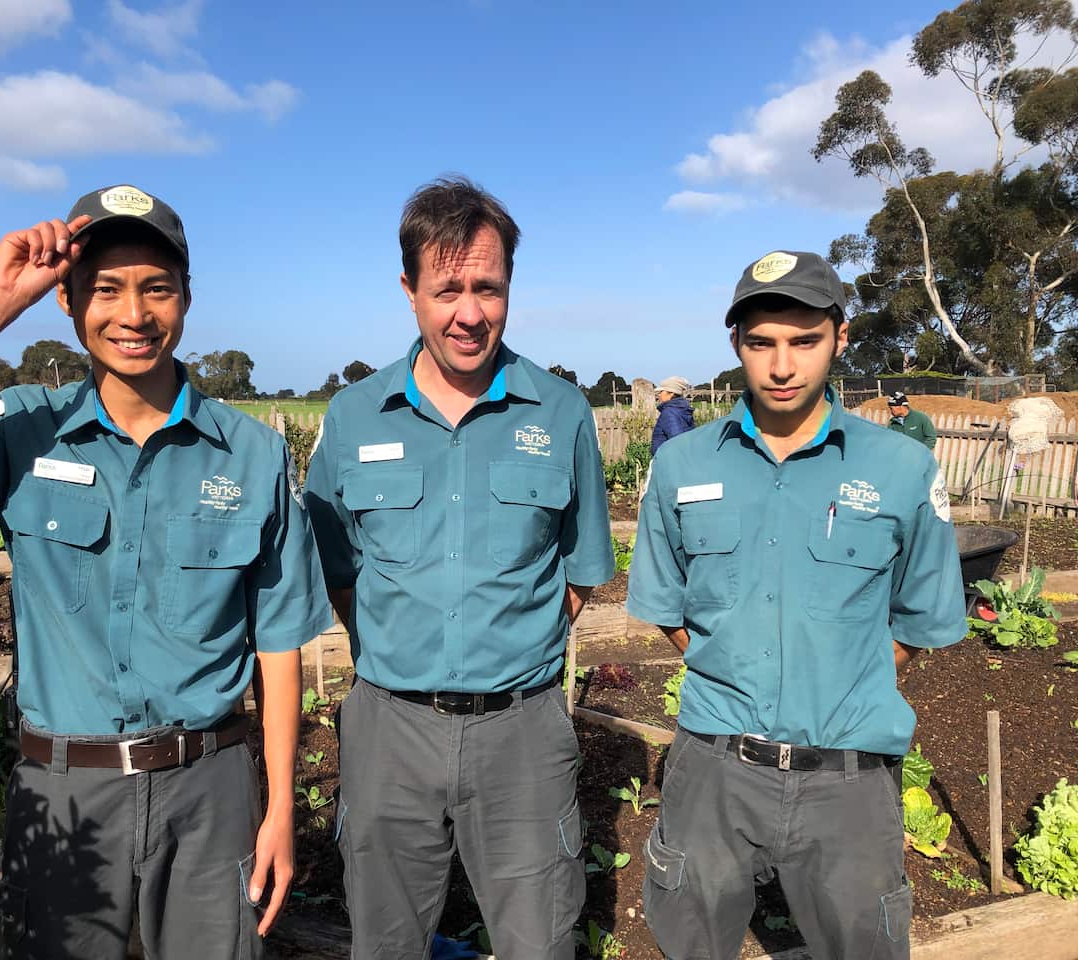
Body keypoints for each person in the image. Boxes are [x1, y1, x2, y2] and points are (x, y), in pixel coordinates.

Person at [0, 184, 332, 960]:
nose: (133, 314)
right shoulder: (25, 431)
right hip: (63, 786)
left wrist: (277, 813)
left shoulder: (253, 453)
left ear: (187, 299)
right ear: (66, 301)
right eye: (105, 290)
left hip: (209, 786)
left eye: (156, 288)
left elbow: (277, 645)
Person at [303, 176, 614, 960]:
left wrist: (497, 648)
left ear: (509, 288)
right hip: (389, 728)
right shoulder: (353, 416)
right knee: (385, 936)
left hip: (522, 729)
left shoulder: (561, 412)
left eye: (488, 287)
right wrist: (409, 649)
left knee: (537, 936)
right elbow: (339, 570)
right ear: (409, 290)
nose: (469, 312)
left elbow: (579, 574)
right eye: (447, 288)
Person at [626, 250, 965, 960]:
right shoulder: (682, 466)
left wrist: (842, 672)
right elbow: (665, 604)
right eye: (762, 342)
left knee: (861, 946)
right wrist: (734, 667)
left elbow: (921, 618)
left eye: (804, 340)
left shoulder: (901, 468)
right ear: (737, 347)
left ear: (840, 339)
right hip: (714, 770)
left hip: (849, 778)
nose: (782, 365)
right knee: (691, 942)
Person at [651, 375, 695, 455]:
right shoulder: (682, 409)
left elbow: (677, 441)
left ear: (671, 393)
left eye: (661, 391)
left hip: (666, 462)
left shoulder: (670, 412)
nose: (659, 394)